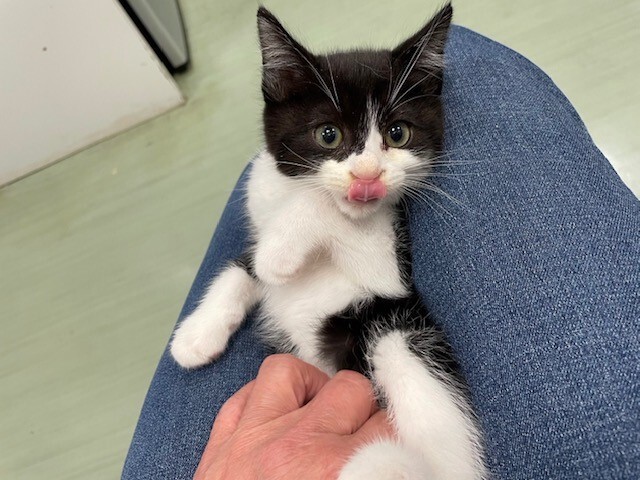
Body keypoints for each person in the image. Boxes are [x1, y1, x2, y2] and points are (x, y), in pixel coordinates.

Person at [122, 26, 640, 480]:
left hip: (360, 338)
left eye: (396, 134)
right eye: (330, 136)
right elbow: (263, 264)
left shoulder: (371, 204)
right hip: (318, 363)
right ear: (281, 100)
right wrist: (228, 299)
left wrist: (314, 214)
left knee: (399, 350)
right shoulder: (268, 183)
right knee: (476, 56)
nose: (367, 169)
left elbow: (384, 283)